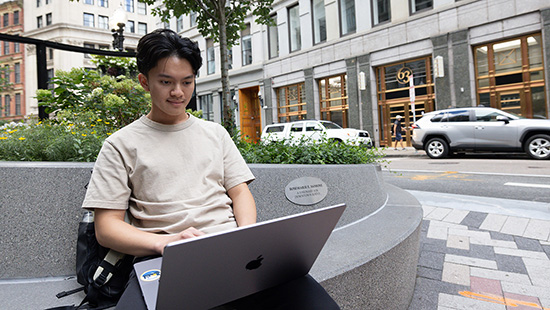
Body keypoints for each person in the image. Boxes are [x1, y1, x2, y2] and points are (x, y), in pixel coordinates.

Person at [82, 29, 338, 309]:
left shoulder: (215, 134)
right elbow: (106, 229)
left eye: (187, 82)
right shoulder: (120, 144)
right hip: (162, 258)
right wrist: (165, 243)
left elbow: (240, 194)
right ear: (144, 81)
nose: (178, 92)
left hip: (231, 250)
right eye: (166, 82)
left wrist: (247, 238)